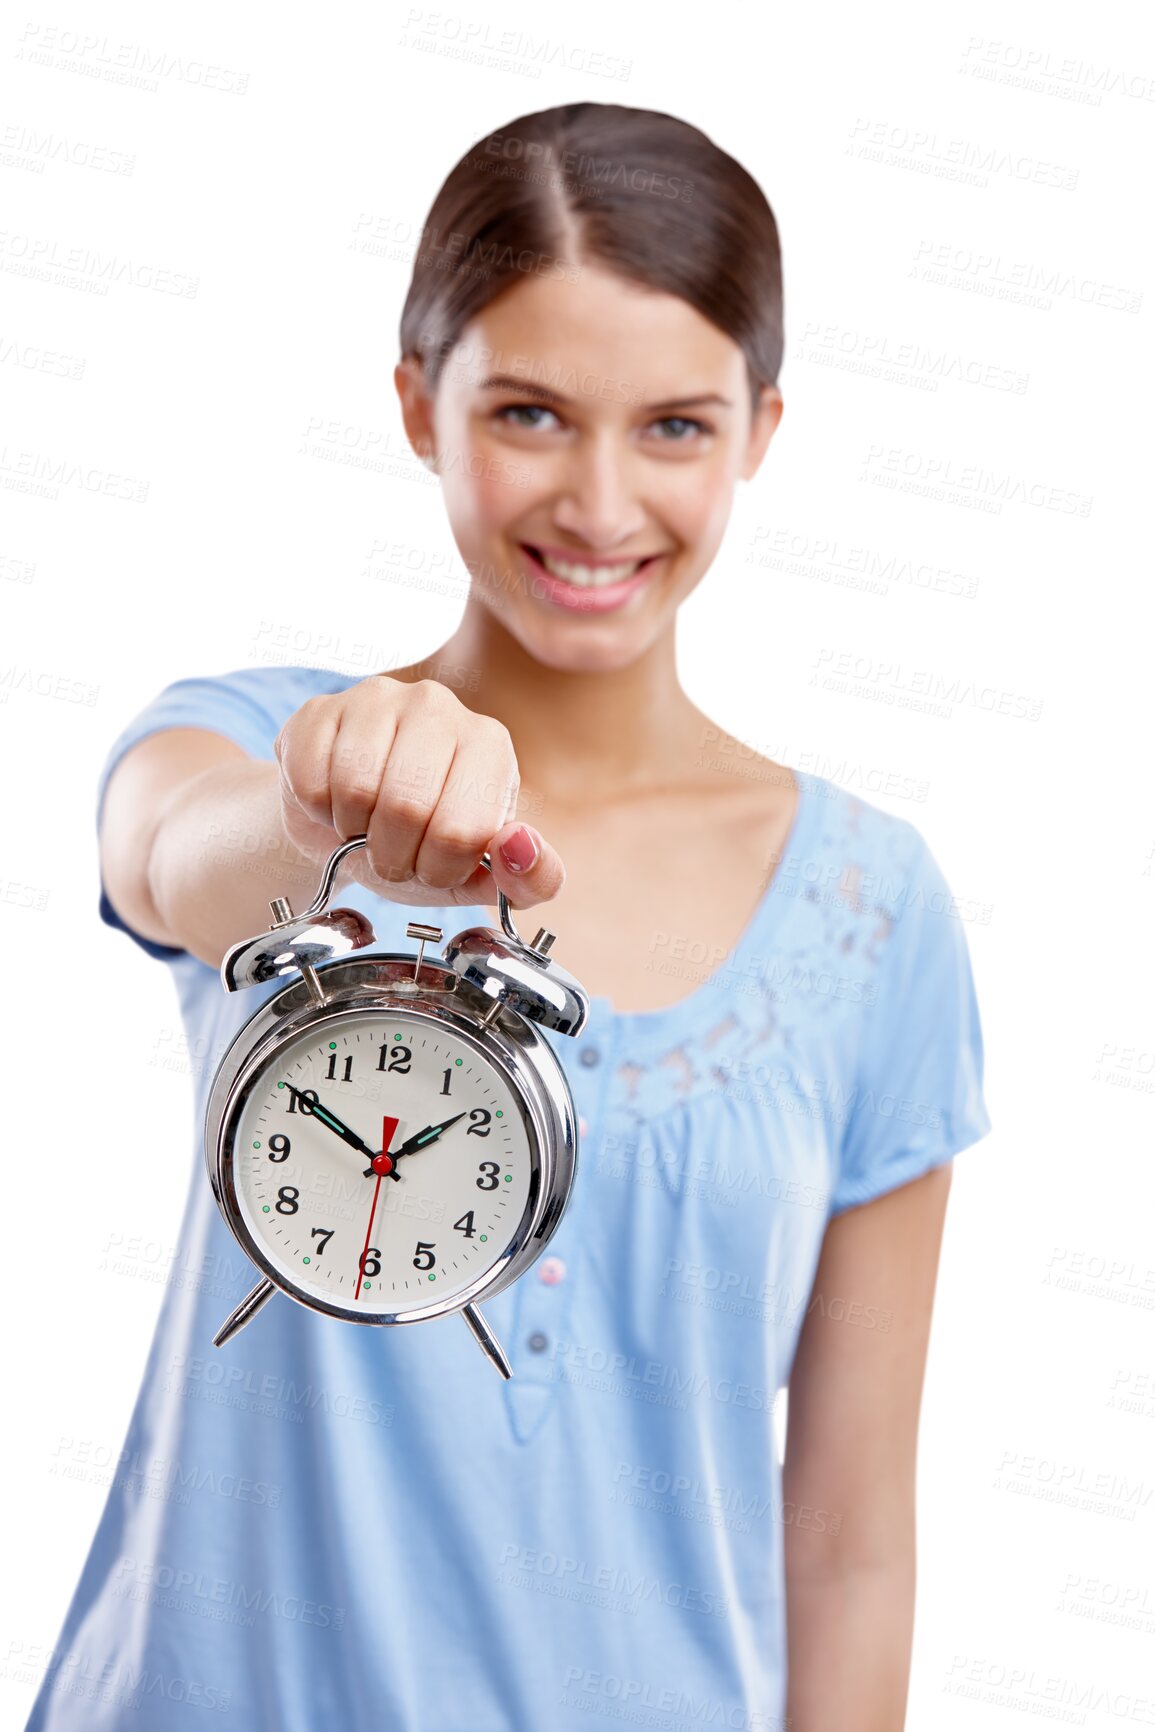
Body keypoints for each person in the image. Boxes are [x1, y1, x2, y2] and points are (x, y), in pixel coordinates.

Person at [27, 102, 991, 1731]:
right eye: (531, 412)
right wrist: (320, 813)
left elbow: (848, 1548)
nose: (603, 505)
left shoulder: (875, 912)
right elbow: (167, 855)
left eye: (675, 426)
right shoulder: (261, 750)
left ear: (763, 428)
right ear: (419, 404)